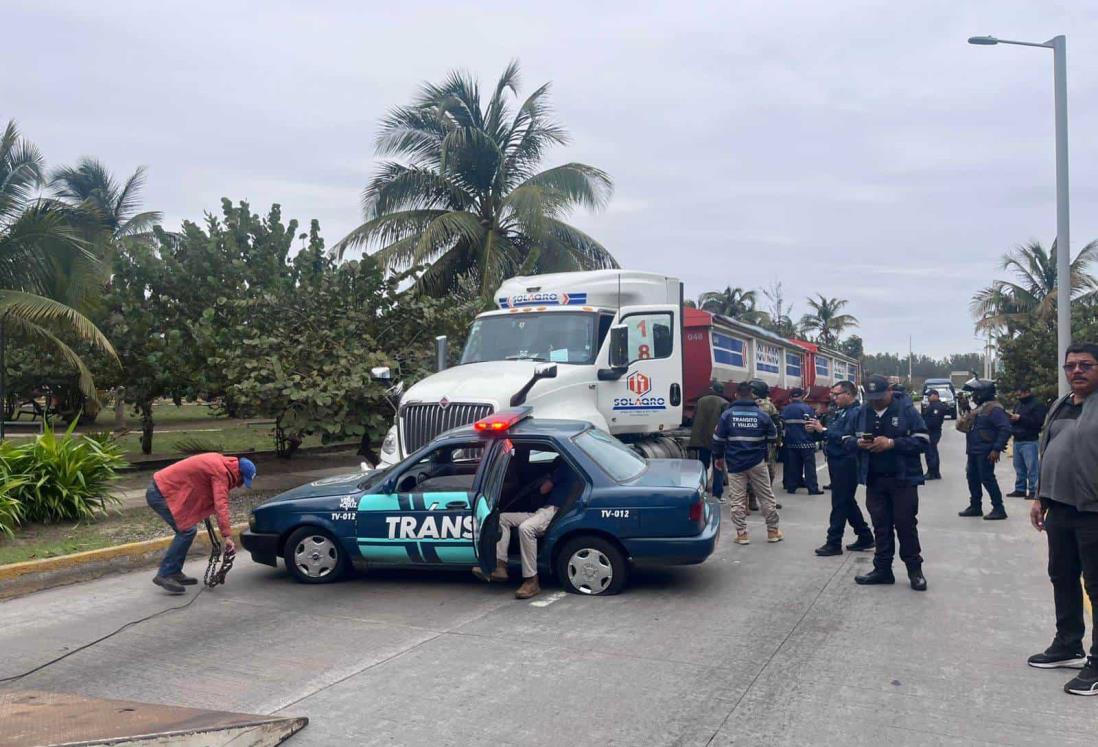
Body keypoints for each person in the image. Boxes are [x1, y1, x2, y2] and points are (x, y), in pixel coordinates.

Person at [1027, 342, 1098, 696]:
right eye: (1071, 366)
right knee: (1062, 576)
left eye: (1086, 365)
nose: (1077, 371)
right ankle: (1069, 644)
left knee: (1097, 587)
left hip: (1093, 512)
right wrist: (1040, 496)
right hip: (1060, 508)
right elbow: (1048, 450)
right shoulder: (1060, 405)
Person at [853, 375, 930, 591]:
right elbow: (844, 437)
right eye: (871, 398)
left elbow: (923, 440)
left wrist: (892, 443)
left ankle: (915, 570)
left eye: (879, 397)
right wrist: (857, 443)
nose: (875, 402)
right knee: (881, 526)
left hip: (903, 479)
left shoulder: (906, 410)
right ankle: (883, 570)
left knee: (905, 524)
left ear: (890, 391)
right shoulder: (862, 412)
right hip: (874, 480)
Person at [146, 453, 256, 594]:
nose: (239, 485)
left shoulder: (220, 462)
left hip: (163, 489)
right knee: (186, 531)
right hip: (161, 493)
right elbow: (220, 505)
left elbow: (200, 487)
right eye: (241, 481)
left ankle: (174, 572)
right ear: (239, 473)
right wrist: (227, 537)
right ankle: (165, 574)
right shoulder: (221, 473)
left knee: (188, 530)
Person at [473, 458, 575, 599]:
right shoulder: (570, 467)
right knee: (501, 518)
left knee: (526, 528)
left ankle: (531, 580)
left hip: (552, 512)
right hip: (542, 511)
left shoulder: (564, 467)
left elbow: (544, 489)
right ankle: (500, 565)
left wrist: (549, 477)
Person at [807, 380, 874, 556]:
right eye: (833, 394)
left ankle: (833, 542)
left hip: (848, 461)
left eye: (837, 394)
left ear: (849, 395)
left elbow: (848, 438)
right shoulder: (839, 411)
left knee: (839, 503)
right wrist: (817, 430)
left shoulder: (857, 413)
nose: (833, 398)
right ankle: (865, 535)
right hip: (836, 460)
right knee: (847, 502)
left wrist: (824, 430)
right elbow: (833, 433)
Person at [714, 381, 783, 545]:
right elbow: (773, 437)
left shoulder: (727, 415)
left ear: (736, 395)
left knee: (737, 500)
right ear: (752, 395)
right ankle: (773, 532)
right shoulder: (762, 415)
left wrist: (718, 458)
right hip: (757, 462)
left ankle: (742, 534)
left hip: (735, 463)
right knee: (766, 498)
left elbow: (718, 440)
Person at [957, 378, 1012, 520]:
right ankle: (975, 506)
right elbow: (968, 426)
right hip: (974, 450)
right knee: (972, 478)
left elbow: (1005, 428)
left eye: (976, 392)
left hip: (985, 451)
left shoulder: (994, 409)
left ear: (984, 392)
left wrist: (996, 449)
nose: (973, 396)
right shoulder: (981, 408)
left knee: (987, 478)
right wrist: (966, 414)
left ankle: (999, 508)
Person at [689, 381, 729, 502]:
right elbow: (726, 423)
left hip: (701, 439)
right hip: (717, 441)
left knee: (703, 466)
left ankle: (702, 492)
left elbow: (693, 418)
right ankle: (717, 495)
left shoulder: (701, 401)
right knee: (718, 466)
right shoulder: (724, 403)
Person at [1007, 384, 1047, 499]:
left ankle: (1034, 490)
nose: (1019, 396)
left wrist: (1020, 418)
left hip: (1030, 440)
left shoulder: (1037, 405)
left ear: (1027, 392)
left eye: (1020, 394)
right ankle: (1020, 489)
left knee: (1032, 467)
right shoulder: (1019, 404)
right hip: (1017, 439)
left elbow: (1037, 422)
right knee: (1019, 467)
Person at [780, 388, 822, 495]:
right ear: (802, 396)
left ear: (791, 397)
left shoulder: (786, 409)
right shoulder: (807, 408)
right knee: (809, 467)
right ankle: (812, 489)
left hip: (791, 443)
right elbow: (814, 424)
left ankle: (791, 488)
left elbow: (782, 425)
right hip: (806, 442)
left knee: (793, 466)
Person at [922, 389, 949, 479]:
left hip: (933, 432)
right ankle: (935, 473)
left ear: (936, 396)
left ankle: (932, 472)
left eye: (930, 395)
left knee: (931, 453)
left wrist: (924, 426)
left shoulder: (937, 406)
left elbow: (934, 421)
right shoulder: (932, 405)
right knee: (933, 451)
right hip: (931, 432)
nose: (928, 397)